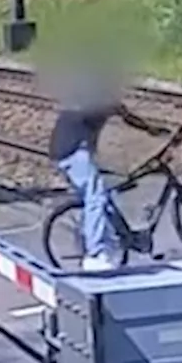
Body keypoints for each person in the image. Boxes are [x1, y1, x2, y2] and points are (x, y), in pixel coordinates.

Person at [46, 70, 125, 271]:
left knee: (107, 192)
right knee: (96, 196)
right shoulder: (91, 104)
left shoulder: (86, 101)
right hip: (72, 153)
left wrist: (153, 130)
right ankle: (95, 253)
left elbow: (128, 116)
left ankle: (101, 240)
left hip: (66, 153)